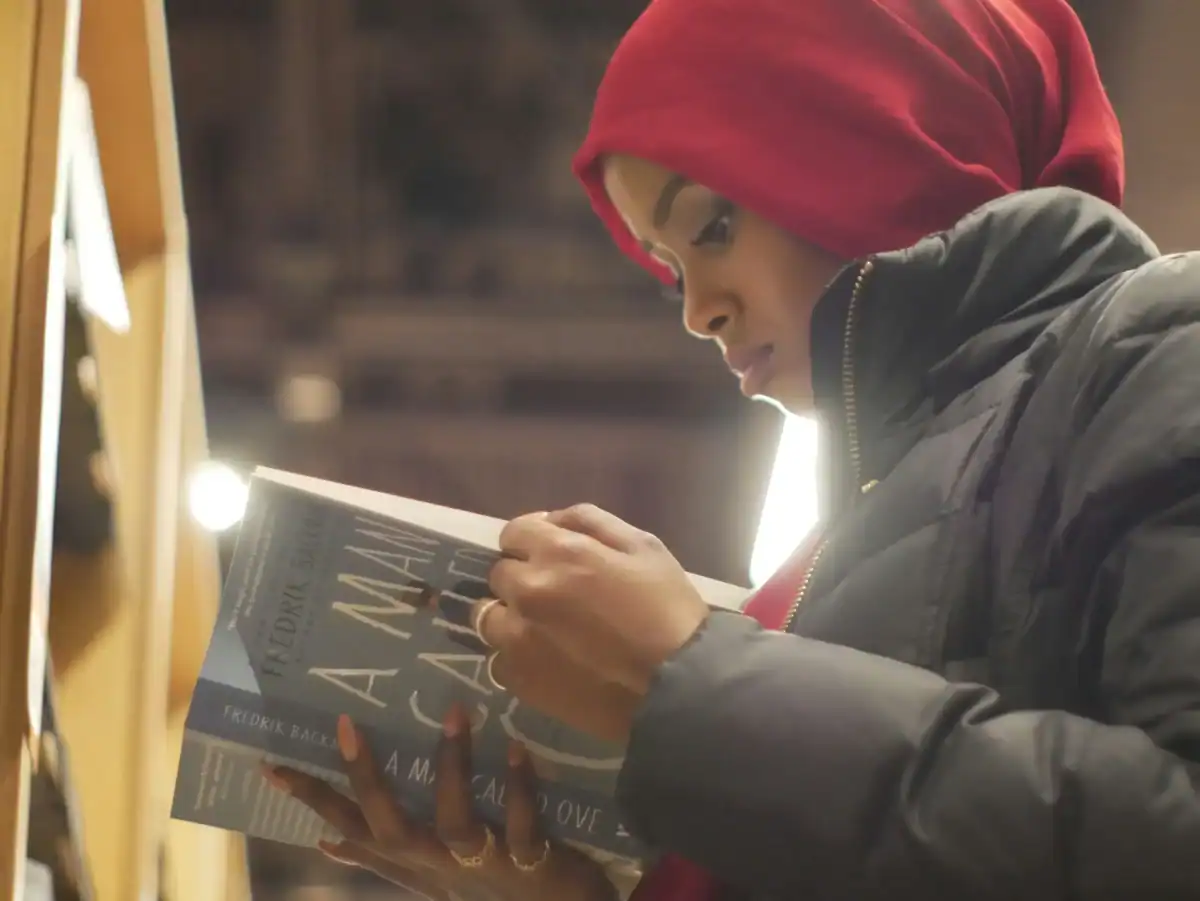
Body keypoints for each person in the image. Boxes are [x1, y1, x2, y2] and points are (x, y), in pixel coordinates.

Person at [265, 0, 1200, 898]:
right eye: (670, 268)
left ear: (880, 135)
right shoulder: (820, 568)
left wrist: (695, 680)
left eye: (713, 226)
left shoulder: (1159, 341)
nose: (697, 310)